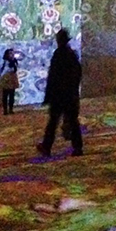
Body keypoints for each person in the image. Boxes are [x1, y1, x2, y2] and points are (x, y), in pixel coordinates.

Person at [36, 28, 83, 158]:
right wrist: (74, 90)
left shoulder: (58, 55)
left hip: (58, 95)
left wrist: (48, 95)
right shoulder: (71, 55)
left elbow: (53, 77)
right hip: (69, 94)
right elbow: (77, 73)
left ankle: (47, 146)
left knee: (53, 122)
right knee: (72, 121)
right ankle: (77, 147)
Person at [0, 48, 19, 115]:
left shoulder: (15, 61)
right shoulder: (4, 61)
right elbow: (2, 70)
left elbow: (15, 69)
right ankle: (5, 110)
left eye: (13, 53)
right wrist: (1, 76)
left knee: (12, 94)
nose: (12, 54)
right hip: (6, 78)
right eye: (10, 53)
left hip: (12, 77)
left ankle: (11, 109)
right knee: (5, 94)